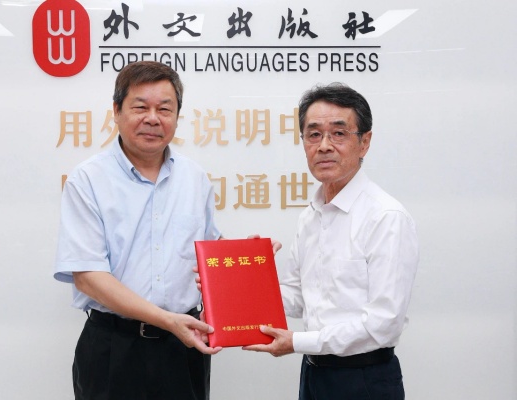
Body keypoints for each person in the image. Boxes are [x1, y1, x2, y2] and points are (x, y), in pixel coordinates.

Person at [54, 61, 223, 400]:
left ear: (177, 116)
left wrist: (247, 259)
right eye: (140, 107)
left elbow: (209, 259)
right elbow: (88, 276)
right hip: (113, 348)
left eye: (165, 109)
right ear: (117, 111)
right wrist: (165, 319)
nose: (153, 119)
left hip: (183, 347)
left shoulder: (195, 178)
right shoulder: (88, 180)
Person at [243, 83, 419, 400]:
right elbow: (297, 297)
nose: (324, 146)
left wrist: (298, 342)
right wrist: (245, 280)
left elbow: (384, 323)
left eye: (338, 133)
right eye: (314, 134)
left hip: (365, 379)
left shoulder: (386, 217)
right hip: (313, 374)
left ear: (364, 142)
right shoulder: (310, 216)